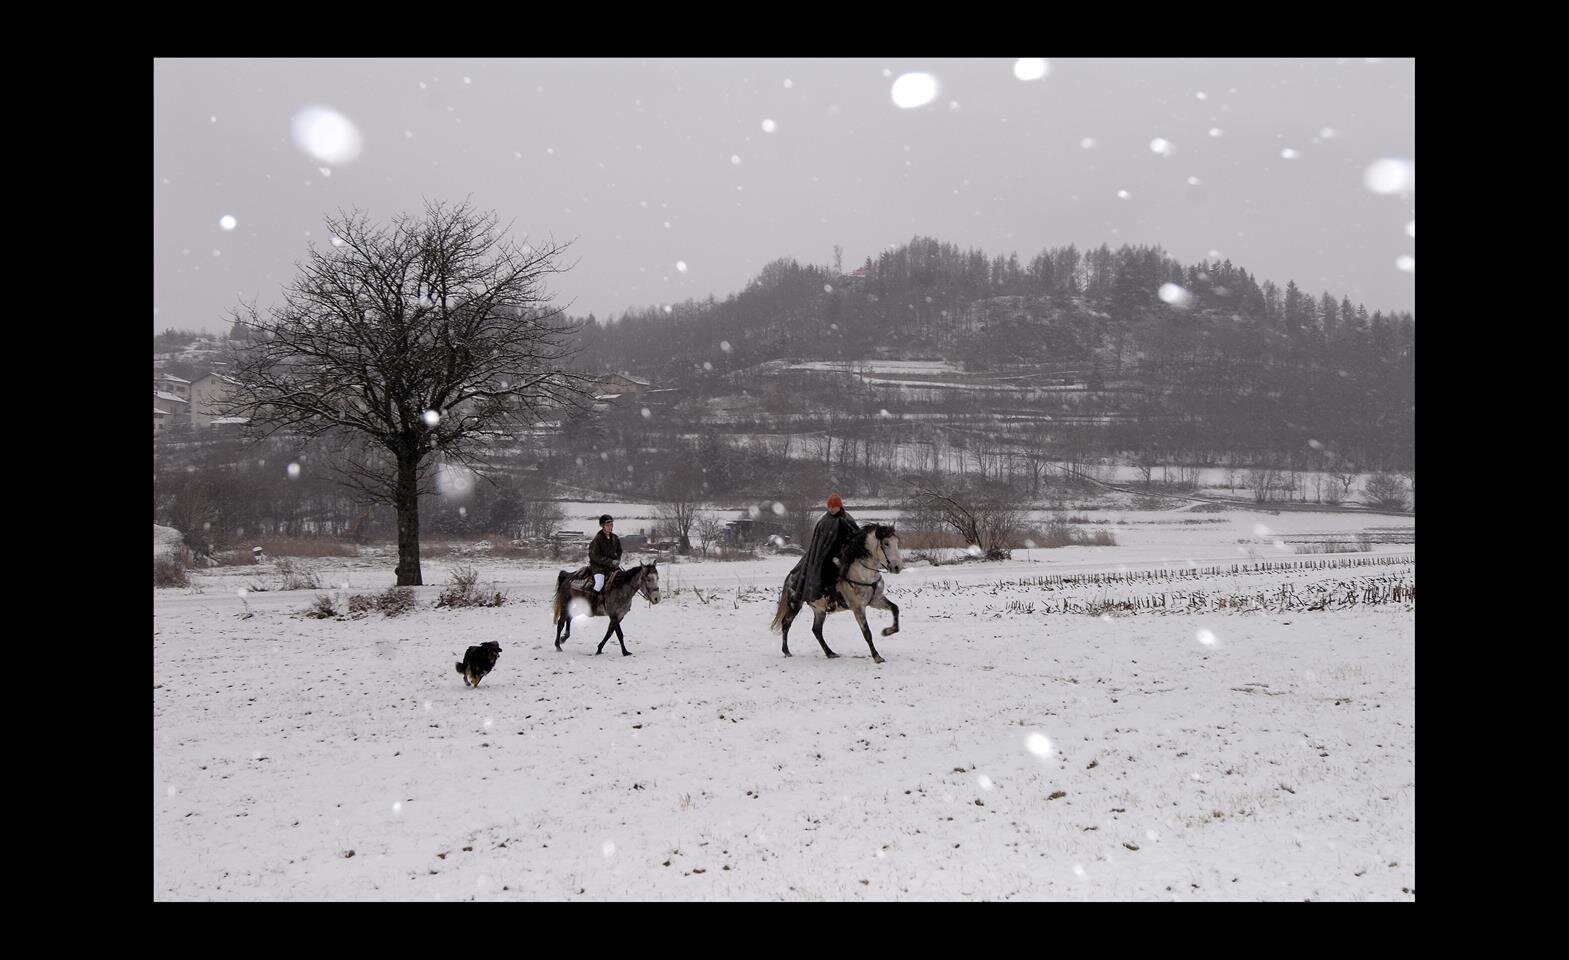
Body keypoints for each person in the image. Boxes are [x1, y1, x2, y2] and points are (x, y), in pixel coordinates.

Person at [795, 493, 860, 606]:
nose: (831, 509)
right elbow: (820, 542)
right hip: (828, 553)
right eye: (829, 507)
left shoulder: (847, 518)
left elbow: (856, 534)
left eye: (833, 506)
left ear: (839, 506)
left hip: (845, 552)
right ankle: (829, 595)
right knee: (829, 569)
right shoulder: (825, 521)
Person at [588, 514, 622, 606]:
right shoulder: (597, 539)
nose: (610, 527)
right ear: (603, 526)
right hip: (598, 566)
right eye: (608, 525)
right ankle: (591, 603)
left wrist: (617, 560)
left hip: (612, 566)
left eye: (611, 525)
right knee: (599, 583)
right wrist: (610, 561)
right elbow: (594, 555)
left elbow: (619, 551)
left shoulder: (615, 538)